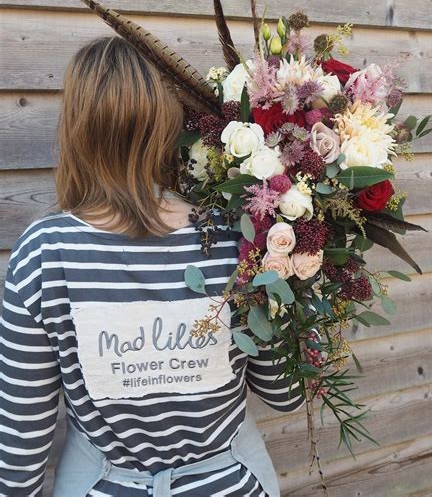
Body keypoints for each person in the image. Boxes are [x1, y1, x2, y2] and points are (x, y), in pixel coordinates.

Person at [0, 36, 304, 497]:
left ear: (77, 129)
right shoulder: (237, 237)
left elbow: (22, 440)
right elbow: (285, 394)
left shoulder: (44, 255)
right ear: (169, 123)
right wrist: (302, 292)